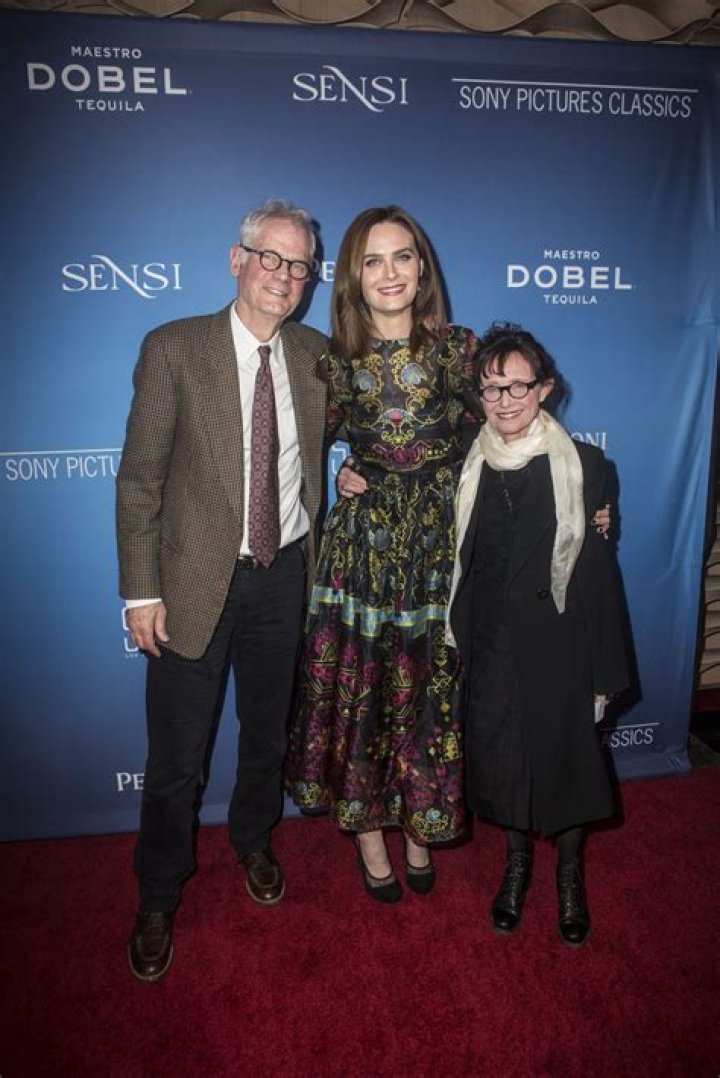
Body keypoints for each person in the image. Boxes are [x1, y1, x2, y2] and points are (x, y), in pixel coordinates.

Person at [116, 199, 328, 982]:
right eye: (271, 257)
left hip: (286, 576)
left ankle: (253, 842)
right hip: (191, 584)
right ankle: (157, 894)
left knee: (267, 737)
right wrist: (140, 591)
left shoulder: (317, 355)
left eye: (299, 265)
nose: (284, 275)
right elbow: (139, 481)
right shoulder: (173, 348)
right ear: (237, 260)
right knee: (177, 759)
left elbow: (377, 435)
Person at [286, 205, 480, 901]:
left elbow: (511, 431)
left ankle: (421, 825)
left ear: (422, 268)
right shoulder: (332, 361)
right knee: (364, 694)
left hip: (437, 549)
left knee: (428, 694)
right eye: (373, 260)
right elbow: (293, 449)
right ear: (352, 276)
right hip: (364, 551)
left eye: (402, 256)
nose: (389, 273)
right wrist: (341, 470)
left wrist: (587, 492)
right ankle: (370, 837)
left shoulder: (459, 350)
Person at [447, 323, 630, 947]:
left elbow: (598, 575)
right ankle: (517, 863)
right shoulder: (465, 462)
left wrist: (602, 673)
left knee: (566, 766)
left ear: (544, 389)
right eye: (490, 388)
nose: (503, 401)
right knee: (502, 764)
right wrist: (351, 478)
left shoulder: (586, 467)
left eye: (517, 386)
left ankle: (569, 876)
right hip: (492, 643)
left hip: (560, 644)